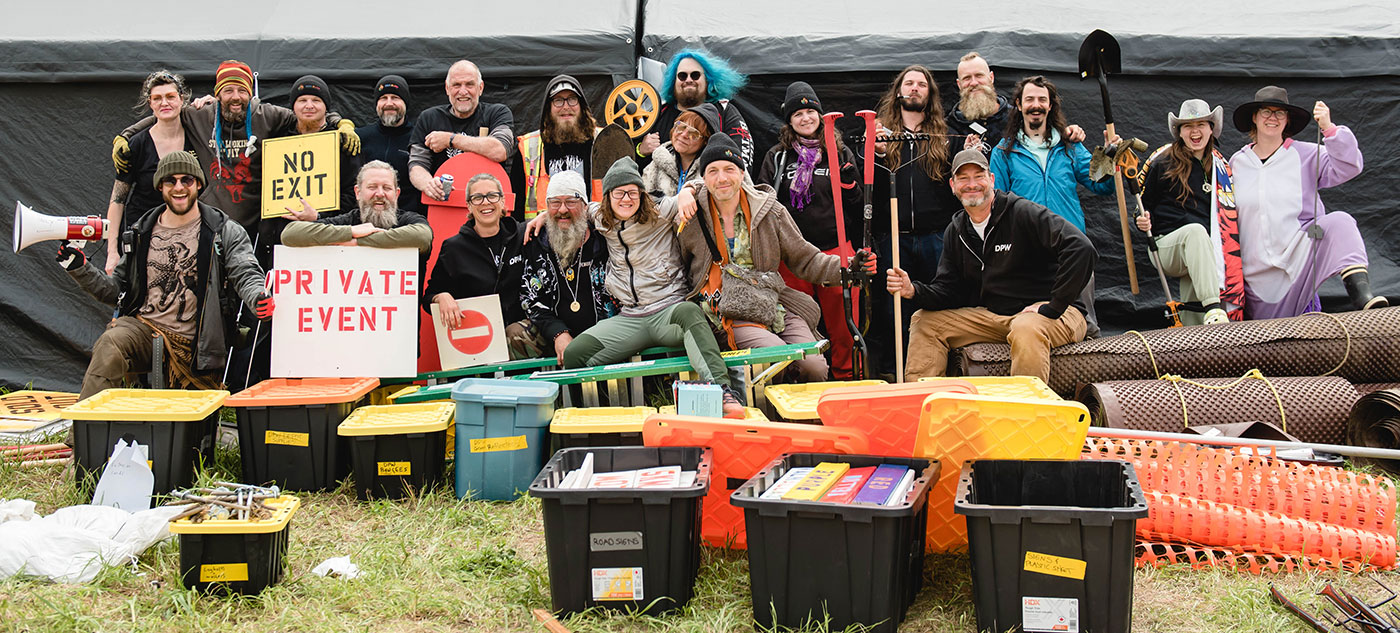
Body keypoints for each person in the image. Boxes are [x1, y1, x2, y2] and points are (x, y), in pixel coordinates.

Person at [61, 151, 271, 399]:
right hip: (143, 329)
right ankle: (85, 424)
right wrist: (79, 267)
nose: (179, 187)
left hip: (197, 346)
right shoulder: (141, 231)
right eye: (171, 180)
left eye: (187, 180)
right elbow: (115, 291)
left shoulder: (224, 231)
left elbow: (245, 271)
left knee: (189, 420)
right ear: (160, 186)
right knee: (112, 342)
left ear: (199, 184)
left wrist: (258, 296)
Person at [886, 149, 1096, 383]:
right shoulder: (956, 230)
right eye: (963, 178)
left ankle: (1026, 405)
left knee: (1026, 327)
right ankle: (925, 399)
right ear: (953, 185)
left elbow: (1081, 248)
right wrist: (913, 290)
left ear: (992, 180)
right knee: (924, 321)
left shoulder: (1022, 212)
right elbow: (949, 291)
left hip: (1057, 315)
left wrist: (1053, 306)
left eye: (979, 176)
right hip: (998, 317)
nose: (972, 184)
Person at [680, 134, 877, 382]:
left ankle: (799, 408)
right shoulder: (690, 217)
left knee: (814, 366)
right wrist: (686, 191)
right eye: (713, 171)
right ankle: (764, 407)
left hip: (773, 305)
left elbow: (806, 258)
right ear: (704, 178)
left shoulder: (769, 211)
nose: (722, 178)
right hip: (724, 313)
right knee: (776, 356)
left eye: (729, 169)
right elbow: (676, 265)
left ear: (741, 173)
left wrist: (848, 266)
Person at [562, 157, 746, 418]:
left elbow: (703, 184)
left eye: (633, 192)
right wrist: (542, 217)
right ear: (608, 196)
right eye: (619, 193)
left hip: (668, 312)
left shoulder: (660, 211)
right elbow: (577, 208)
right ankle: (588, 415)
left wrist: (687, 190)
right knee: (574, 354)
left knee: (690, 312)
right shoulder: (601, 218)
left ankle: (723, 392)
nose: (626, 199)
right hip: (631, 318)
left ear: (641, 193)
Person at [113, 60, 359, 238]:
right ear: (218, 94)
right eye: (228, 90)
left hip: (254, 226)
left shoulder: (267, 115)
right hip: (209, 225)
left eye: (242, 90)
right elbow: (166, 113)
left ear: (249, 93)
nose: (235, 97)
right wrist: (125, 136)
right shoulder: (201, 115)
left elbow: (307, 112)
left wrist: (342, 124)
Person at [1229, 86, 1384, 317]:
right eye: (1266, 111)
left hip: (1297, 258)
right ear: (1254, 117)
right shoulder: (1236, 163)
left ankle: (1363, 297)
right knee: (1268, 337)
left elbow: (1349, 166)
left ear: (1287, 120)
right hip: (1253, 272)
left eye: (1279, 113)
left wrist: (1329, 129)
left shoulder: (1307, 154)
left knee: (1340, 222)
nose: (1272, 118)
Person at [989, 75, 1113, 336]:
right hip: (1027, 249)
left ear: (1051, 105)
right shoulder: (1003, 152)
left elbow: (1101, 185)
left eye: (1042, 100)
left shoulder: (1070, 147)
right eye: (1029, 99)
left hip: (1071, 245)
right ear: (1019, 105)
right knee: (1034, 321)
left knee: (1086, 324)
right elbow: (996, 205)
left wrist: (1109, 157)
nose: (1036, 105)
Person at [757, 82, 865, 379]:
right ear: (789, 121)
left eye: (810, 112)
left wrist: (850, 185)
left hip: (834, 247)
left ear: (819, 114)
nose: (805, 118)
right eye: (797, 114)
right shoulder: (777, 157)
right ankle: (806, 380)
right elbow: (763, 202)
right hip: (792, 255)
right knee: (798, 323)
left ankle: (847, 378)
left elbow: (859, 205)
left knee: (844, 325)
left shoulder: (839, 152)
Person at [867, 65, 961, 379]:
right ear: (898, 91)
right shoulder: (881, 135)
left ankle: (938, 371)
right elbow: (867, 189)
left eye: (922, 84)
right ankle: (897, 372)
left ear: (930, 93)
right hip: (894, 237)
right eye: (909, 83)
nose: (915, 88)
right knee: (893, 308)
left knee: (937, 304)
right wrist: (877, 154)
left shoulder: (944, 137)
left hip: (936, 237)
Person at [1135, 99, 1234, 325]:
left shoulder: (1221, 167)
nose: (1195, 131)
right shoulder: (1163, 162)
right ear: (1179, 132)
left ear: (1211, 129)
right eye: (1188, 126)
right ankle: (1214, 308)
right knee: (1195, 232)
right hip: (1165, 246)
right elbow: (1141, 206)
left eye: (1201, 124)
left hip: (1204, 250)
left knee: (1196, 312)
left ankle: (1197, 338)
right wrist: (1142, 220)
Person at [422, 173, 535, 358]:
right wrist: (440, 297)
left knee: (515, 333)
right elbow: (428, 297)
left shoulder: (523, 235)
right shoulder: (453, 248)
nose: (485, 202)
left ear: (502, 201)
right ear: (469, 205)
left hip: (520, 337)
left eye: (492, 195)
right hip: (477, 342)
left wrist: (542, 218)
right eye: (477, 198)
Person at [521, 170, 616, 363]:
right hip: (553, 334)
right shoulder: (535, 241)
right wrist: (558, 333)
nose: (562, 209)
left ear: (585, 205)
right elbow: (530, 299)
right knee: (516, 334)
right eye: (555, 203)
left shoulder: (606, 237)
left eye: (571, 202)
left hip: (605, 329)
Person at [105, 70, 194, 274]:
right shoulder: (136, 144)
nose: (165, 103)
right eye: (157, 98)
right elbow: (117, 201)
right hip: (143, 236)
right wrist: (112, 252)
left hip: (187, 238)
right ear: (150, 103)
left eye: (170, 96)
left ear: (181, 99)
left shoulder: (197, 137)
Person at [408, 60, 514, 204]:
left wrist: (451, 140)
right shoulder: (429, 118)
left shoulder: (497, 113)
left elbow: (500, 150)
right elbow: (416, 165)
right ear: (447, 88)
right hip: (443, 204)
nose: (463, 91)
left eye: (469, 84)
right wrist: (429, 185)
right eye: (456, 85)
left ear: (480, 88)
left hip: (487, 205)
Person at [280, 161, 432, 253]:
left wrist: (357, 242)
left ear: (397, 194)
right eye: (372, 187)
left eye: (387, 188)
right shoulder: (348, 220)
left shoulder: (408, 220)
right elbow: (290, 234)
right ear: (357, 192)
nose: (380, 194)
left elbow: (422, 237)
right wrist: (351, 231)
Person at [637, 49, 752, 169]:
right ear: (673, 81)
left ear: (707, 80)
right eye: (682, 76)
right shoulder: (658, 112)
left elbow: (742, 159)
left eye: (695, 75)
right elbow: (629, 160)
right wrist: (641, 151)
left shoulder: (724, 111)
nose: (688, 80)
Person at [510, 74, 597, 219]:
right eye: (558, 101)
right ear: (548, 108)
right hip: (544, 230)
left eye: (572, 99)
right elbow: (516, 203)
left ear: (582, 106)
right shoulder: (528, 147)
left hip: (592, 229)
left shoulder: (602, 140)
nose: (566, 107)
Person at [282, 75, 362, 218]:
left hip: (329, 226)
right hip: (284, 224)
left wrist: (320, 216)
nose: (309, 106)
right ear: (293, 106)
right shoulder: (279, 140)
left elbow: (352, 191)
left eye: (316, 100)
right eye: (302, 100)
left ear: (326, 107)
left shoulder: (343, 140)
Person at [356, 75, 423, 215]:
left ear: (405, 103)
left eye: (395, 98)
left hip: (409, 219)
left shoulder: (419, 138)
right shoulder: (359, 137)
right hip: (366, 218)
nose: (389, 103)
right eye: (383, 98)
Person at [642, 103, 722, 196]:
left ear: (706, 141)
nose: (684, 135)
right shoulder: (658, 161)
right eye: (681, 127)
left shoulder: (712, 169)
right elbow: (644, 200)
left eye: (693, 133)